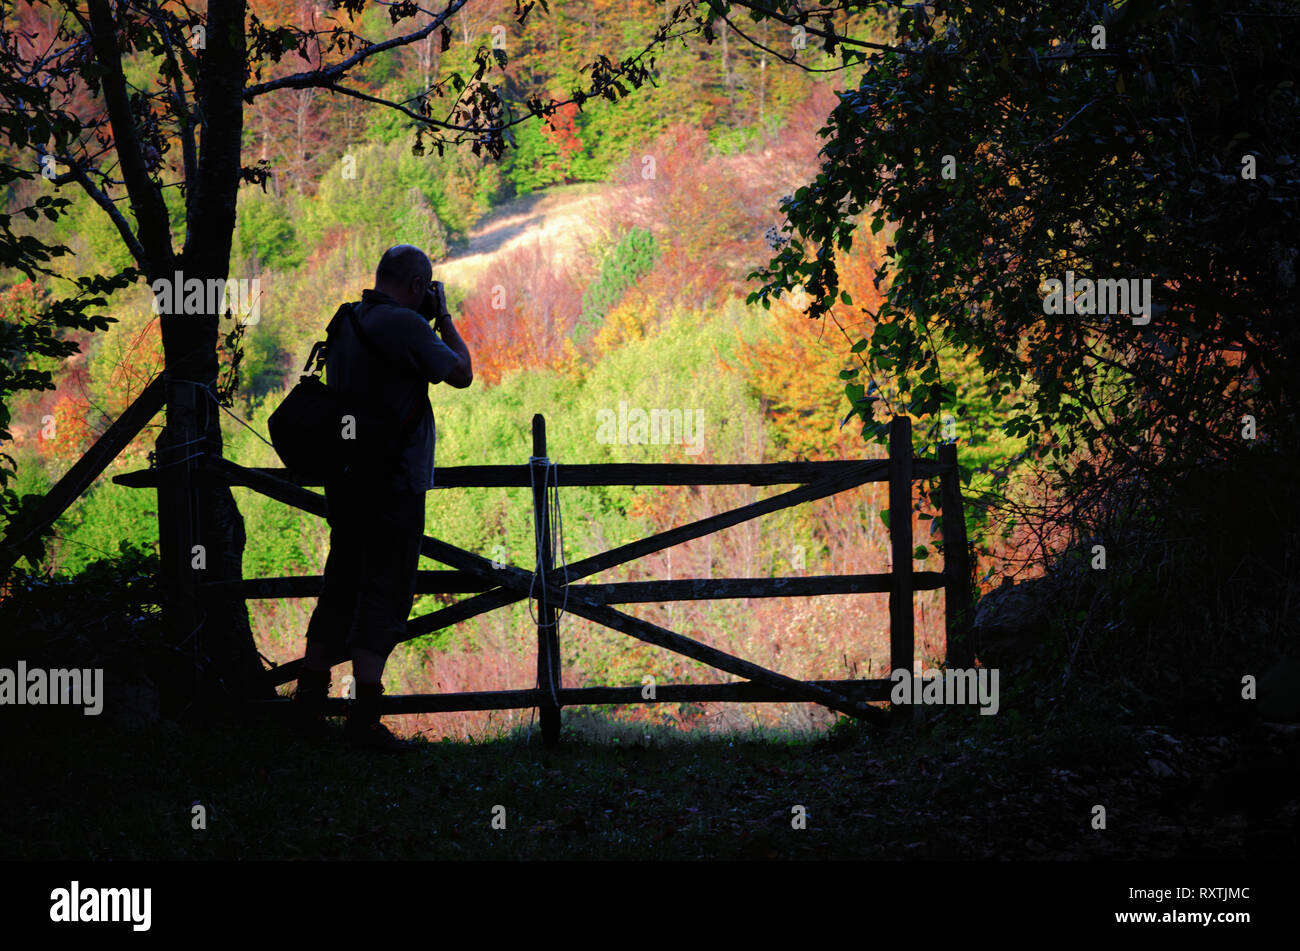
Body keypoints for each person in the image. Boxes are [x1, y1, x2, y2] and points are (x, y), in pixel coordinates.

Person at [291, 244, 472, 752]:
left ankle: (307, 707)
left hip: (345, 477)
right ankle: (364, 721)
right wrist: (445, 318)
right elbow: (461, 373)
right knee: (384, 591)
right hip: (392, 482)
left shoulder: (347, 319)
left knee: (341, 584)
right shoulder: (408, 325)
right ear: (418, 286)